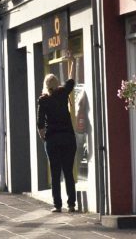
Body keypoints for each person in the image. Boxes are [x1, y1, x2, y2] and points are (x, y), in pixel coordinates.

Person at [37, 60, 77, 212]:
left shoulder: (43, 100)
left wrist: (44, 138)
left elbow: (40, 124)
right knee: (68, 172)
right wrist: (72, 61)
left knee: (55, 173)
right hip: (68, 138)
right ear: (57, 83)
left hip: (53, 139)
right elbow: (71, 80)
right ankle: (71, 204)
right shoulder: (63, 93)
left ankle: (57, 205)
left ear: (46, 85)